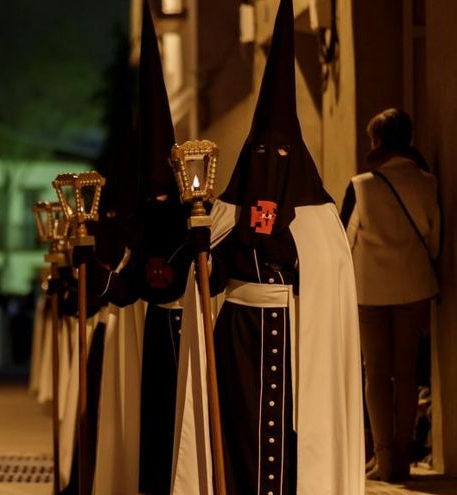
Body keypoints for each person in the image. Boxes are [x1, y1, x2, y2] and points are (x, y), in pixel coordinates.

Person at [172, 1, 364, 493]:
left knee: (295, 439)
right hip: (237, 336)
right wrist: (201, 249)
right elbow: (198, 280)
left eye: (281, 156)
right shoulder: (224, 214)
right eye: (261, 156)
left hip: (299, 341)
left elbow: (327, 292)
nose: (270, 165)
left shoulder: (321, 222)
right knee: (239, 431)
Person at [342, 108, 440, 481]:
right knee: (407, 371)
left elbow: (345, 239)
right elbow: (435, 238)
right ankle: (404, 456)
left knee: (377, 374)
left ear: (378, 142)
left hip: (370, 291)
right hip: (414, 287)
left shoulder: (361, 185)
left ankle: (384, 460)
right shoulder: (427, 183)